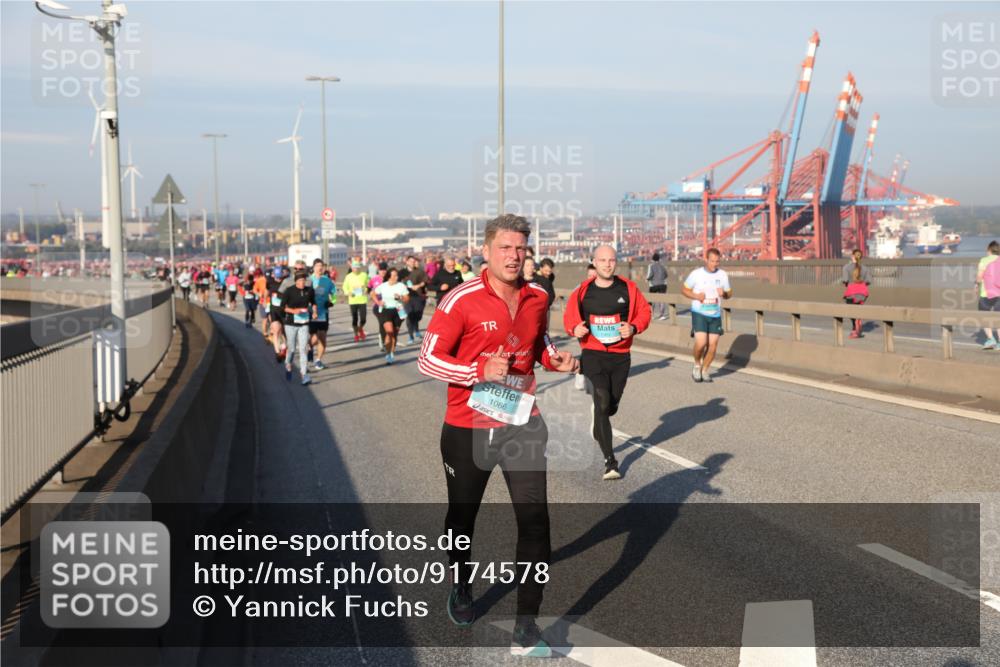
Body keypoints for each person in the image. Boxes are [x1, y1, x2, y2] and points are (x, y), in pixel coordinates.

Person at [417, 214, 578, 658]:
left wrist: (553, 358)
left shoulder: (538, 296)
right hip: (467, 428)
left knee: (535, 523)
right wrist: (476, 370)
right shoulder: (460, 299)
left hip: (522, 422)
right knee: (461, 520)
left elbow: (537, 342)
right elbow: (428, 360)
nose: (514, 255)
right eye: (505, 247)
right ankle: (462, 584)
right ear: (486, 251)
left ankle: (526, 626)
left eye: (520, 248)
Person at [564, 245, 651, 481]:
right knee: (602, 401)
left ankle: (599, 419)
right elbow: (569, 317)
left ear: (616, 262)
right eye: (602, 260)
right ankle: (610, 462)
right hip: (592, 353)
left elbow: (644, 312)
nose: (607, 264)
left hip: (621, 356)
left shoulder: (628, 289)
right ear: (594, 262)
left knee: (611, 406)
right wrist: (575, 328)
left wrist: (633, 327)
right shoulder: (583, 291)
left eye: (611, 260)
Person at [681, 248, 732, 383]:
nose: (715, 264)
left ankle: (705, 370)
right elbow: (684, 290)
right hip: (699, 313)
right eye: (712, 261)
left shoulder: (722, 275)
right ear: (706, 260)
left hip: (715, 314)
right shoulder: (696, 274)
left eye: (717, 261)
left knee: (713, 345)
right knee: (702, 343)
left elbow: (729, 293)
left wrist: (724, 294)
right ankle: (697, 365)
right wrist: (696, 296)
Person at [281, 270, 317, 385]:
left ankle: (304, 375)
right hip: (290, 323)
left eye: (304, 280)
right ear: (296, 281)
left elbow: (313, 302)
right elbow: (282, 307)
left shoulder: (309, 291)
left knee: (303, 349)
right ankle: (288, 364)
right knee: (291, 349)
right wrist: (294, 311)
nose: (302, 283)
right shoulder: (289, 291)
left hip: (304, 323)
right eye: (300, 280)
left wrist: (315, 311)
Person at [372, 267, 409, 364]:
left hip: (398, 310)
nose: (396, 277)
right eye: (394, 276)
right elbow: (373, 294)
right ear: (389, 276)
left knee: (395, 334)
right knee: (389, 332)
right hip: (385, 310)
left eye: (397, 276)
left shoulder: (401, 286)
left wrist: (400, 297)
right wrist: (378, 302)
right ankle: (388, 353)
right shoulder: (383, 286)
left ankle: (391, 352)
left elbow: (406, 299)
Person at [309, 259, 336, 370]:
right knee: (314, 339)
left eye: (321, 266)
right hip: (311, 313)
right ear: (313, 267)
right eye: (317, 266)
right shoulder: (308, 280)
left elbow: (334, 294)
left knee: (323, 339)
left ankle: (318, 360)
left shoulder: (327, 281)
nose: (320, 268)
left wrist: (331, 302)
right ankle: (309, 348)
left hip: (323, 313)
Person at [841, 249, 871, 337]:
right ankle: (858, 322)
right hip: (862, 293)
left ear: (852, 256)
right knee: (858, 309)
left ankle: (855, 328)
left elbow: (845, 280)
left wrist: (848, 284)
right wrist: (861, 285)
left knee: (851, 311)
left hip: (851, 292)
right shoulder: (865, 268)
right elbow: (868, 281)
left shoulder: (846, 267)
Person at [976, 240, 1000, 349]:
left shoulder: (984, 260)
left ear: (989, 250)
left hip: (986, 294)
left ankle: (991, 340)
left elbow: (979, 277)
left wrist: (976, 284)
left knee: (984, 317)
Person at [403, 255, 428, 345]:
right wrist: (406, 287)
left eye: (414, 261)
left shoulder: (420, 272)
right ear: (407, 262)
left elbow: (425, 281)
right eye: (410, 261)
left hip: (418, 296)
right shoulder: (402, 272)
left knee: (418, 315)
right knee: (410, 315)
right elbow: (398, 283)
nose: (412, 263)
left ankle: (416, 328)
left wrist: (418, 285)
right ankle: (411, 336)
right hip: (407, 296)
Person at [342, 260, 371, 343]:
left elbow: (369, 284)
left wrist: (366, 289)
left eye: (357, 267)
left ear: (360, 267)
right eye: (354, 268)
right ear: (351, 268)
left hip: (362, 300)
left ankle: (360, 328)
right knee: (355, 319)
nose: (356, 269)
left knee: (363, 319)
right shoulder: (348, 276)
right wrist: (348, 293)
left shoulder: (364, 275)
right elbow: (344, 287)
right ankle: (356, 334)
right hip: (353, 300)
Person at [266, 267, 287, 363]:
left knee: (284, 332)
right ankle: (277, 353)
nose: (278, 279)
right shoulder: (269, 282)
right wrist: (266, 303)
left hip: (284, 310)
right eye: (276, 277)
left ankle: (284, 347)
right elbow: (267, 292)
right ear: (273, 275)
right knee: (276, 330)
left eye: (280, 277)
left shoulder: (286, 282)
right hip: (273, 310)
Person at [369, 262, 388, 351]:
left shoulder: (390, 279)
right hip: (377, 305)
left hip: (389, 306)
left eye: (384, 270)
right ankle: (382, 340)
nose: (383, 272)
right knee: (382, 322)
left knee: (388, 324)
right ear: (378, 270)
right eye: (381, 270)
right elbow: (369, 288)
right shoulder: (374, 279)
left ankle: (384, 337)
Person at [646, 252, 668, 320]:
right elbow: (666, 275)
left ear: (652, 259)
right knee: (661, 299)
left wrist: (647, 279)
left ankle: (652, 315)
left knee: (652, 299)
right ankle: (662, 315)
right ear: (659, 259)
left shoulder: (651, 266)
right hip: (663, 284)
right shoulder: (662, 266)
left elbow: (650, 275)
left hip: (653, 285)